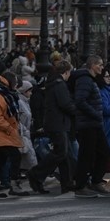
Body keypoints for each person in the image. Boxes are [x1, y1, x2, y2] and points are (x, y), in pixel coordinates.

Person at [29, 60, 75, 194]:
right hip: (58, 123)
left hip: (55, 122)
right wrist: (77, 110)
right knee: (60, 153)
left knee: (64, 155)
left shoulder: (52, 83)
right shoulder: (59, 84)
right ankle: (36, 174)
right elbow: (65, 104)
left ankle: (67, 182)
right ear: (66, 72)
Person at [72, 55, 110, 198]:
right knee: (86, 155)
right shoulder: (85, 80)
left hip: (93, 123)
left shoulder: (90, 80)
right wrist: (95, 114)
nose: (102, 67)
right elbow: (80, 101)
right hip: (88, 123)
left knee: (102, 153)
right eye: (99, 65)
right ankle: (81, 185)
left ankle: (95, 181)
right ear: (92, 65)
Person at [0, 71, 29, 197]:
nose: (16, 85)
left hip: (4, 133)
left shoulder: (6, 95)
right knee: (15, 157)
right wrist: (10, 128)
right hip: (3, 133)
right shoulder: (0, 97)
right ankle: (14, 185)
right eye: (15, 82)